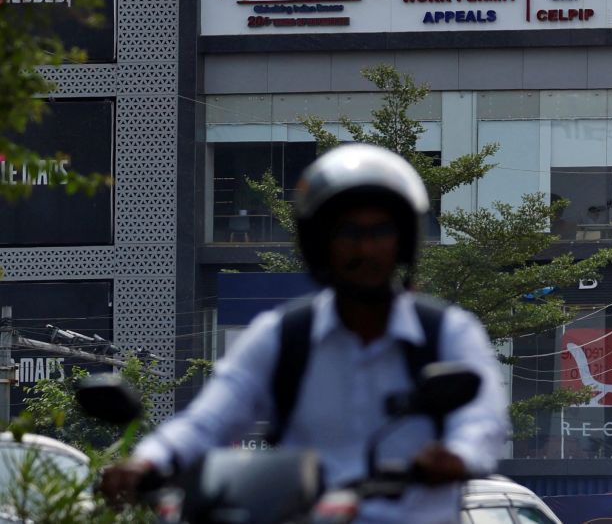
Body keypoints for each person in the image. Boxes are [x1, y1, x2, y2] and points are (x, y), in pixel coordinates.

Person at [102, 144, 509, 523]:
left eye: (381, 231)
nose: (365, 249)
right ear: (319, 245)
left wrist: (456, 456)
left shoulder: (448, 332)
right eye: (348, 233)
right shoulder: (282, 336)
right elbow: (208, 420)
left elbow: (483, 422)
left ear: (403, 243)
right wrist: (147, 460)